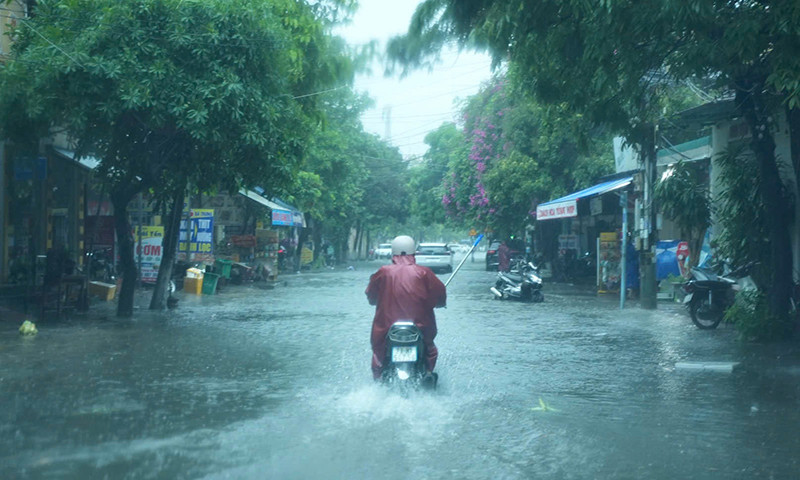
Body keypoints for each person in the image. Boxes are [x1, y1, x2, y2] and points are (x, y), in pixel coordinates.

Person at [365, 235, 446, 382]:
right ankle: (428, 372)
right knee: (429, 347)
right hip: (421, 326)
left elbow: (371, 295)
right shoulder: (424, 272)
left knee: (378, 351)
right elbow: (440, 294)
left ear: (393, 254)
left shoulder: (383, 272)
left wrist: (375, 300)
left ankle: (377, 379)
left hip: (386, 326)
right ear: (413, 254)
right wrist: (439, 303)